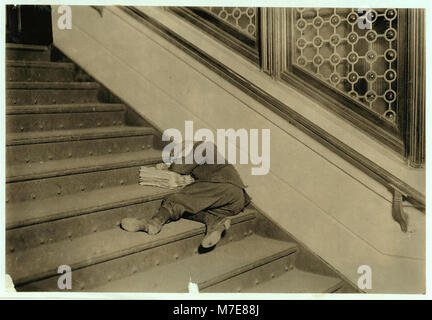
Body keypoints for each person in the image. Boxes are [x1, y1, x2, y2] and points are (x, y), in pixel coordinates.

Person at [121, 140, 250, 248]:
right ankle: (215, 222)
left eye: (177, 155)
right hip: (234, 204)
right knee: (191, 209)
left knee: (177, 199)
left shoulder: (203, 146)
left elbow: (180, 168)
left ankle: (153, 223)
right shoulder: (211, 160)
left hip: (224, 187)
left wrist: (169, 166)